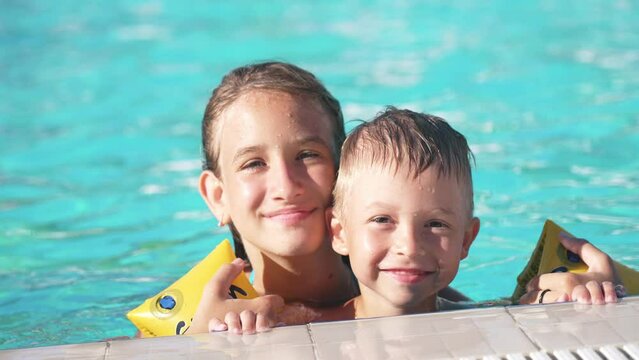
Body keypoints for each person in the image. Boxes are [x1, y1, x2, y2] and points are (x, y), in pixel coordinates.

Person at [187, 62, 619, 334]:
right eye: (253, 164)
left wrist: (554, 299)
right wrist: (193, 345)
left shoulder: (408, 278)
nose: (286, 185)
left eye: (307, 155)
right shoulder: (193, 319)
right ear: (217, 196)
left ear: (346, 174)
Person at [326, 108, 620, 318]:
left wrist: (592, 294)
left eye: (436, 224)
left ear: (466, 240)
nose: (410, 246)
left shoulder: (490, 317)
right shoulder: (307, 325)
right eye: (382, 220)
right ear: (340, 233)